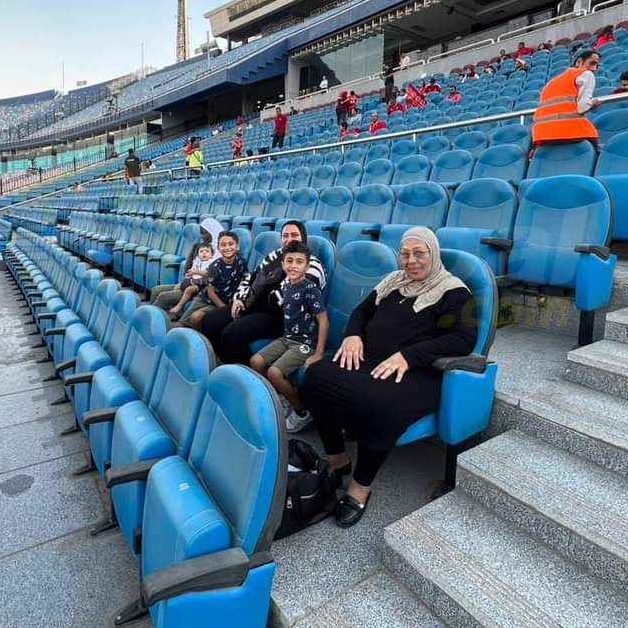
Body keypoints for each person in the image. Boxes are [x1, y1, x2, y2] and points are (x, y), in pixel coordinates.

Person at [301, 228, 477, 527]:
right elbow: (361, 312)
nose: (411, 261)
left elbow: (462, 339)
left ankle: (360, 487)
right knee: (316, 377)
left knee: (379, 404)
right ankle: (337, 456)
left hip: (419, 372)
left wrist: (409, 356)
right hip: (371, 361)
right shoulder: (393, 281)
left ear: (433, 254)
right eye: (405, 254)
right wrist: (353, 335)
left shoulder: (453, 291)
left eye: (419, 253)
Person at [200, 220, 326, 365]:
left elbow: (291, 298)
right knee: (210, 321)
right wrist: (240, 298)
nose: (289, 239)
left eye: (294, 235)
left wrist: (256, 305)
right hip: (253, 305)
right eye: (285, 236)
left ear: (303, 237)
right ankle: (219, 363)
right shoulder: (275, 255)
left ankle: (242, 372)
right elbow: (251, 276)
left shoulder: (312, 264)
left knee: (232, 333)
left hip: (278, 317)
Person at [250, 241, 328, 434]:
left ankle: (302, 411)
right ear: (283, 264)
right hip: (287, 338)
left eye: (299, 262)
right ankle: (282, 398)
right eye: (289, 261)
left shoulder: (310, 289)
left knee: (274, 372)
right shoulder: (286, 286)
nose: (293, 266)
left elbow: (324, 321)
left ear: (307, 266)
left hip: (305, 343)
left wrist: (318, 353)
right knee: (255, 361)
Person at [531, 49, 601, 148]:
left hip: (541, 135)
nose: (594, 69)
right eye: (592, 63)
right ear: (579, 62)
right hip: (569, 131)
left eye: (597, 66)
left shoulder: (551, 83)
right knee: (596, 144)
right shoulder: (587, 74)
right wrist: (594, 103)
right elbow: (583, 107)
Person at [178, 231, 247, 330]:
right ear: (218, 248)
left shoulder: (242, 263)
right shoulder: (214, 266)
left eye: (231, 244)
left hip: (224, 300)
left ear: (237, 247)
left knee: (196, 317)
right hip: (206, 299)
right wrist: (224, 309)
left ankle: (203, 336)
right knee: (182, 323)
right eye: (223, 245)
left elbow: (244, 282)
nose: (227, 247)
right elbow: (211, 293)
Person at [151, 219, 223, 309]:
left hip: (199, 289)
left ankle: (154, 316)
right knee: (156, 289)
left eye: (204, 233)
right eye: (201, 233)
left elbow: (212, 277)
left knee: (163, 297)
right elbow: (187, 270)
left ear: (213, 232)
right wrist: (194, 249)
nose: (202, 236)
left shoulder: (220, 253)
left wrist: (191, 282)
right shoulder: (203, 249)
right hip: (188, 283)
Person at [167, 242, 217, 319]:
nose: (204, 253)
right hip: (192, 280)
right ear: (198, 254)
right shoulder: (196, 261)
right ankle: (175, 306)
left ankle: (179, 305)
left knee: (189, 289)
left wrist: (196, 272)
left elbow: (208, 273)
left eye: (207, 251)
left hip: (202, 284)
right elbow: (190, 271)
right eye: (201, 251)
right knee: (177, 286)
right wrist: (189, 275)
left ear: (211, 255)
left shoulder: (211, 263)